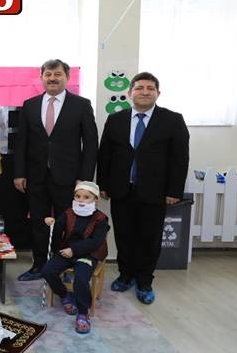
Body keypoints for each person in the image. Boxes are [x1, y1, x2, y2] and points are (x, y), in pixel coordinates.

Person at [97, 71, 189, 304]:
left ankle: (145, 281)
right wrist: (104, 185)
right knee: (124, 235)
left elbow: (180, 159)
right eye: (139, 88)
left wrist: (174, 191)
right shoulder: (115, 119)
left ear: (158, 93)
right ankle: (125, 276)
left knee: (149, 238)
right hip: (122, 190)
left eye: (150, 88)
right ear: (130, 93)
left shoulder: (173, 120)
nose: (145, 92)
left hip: (155, 192)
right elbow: (105, 154)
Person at [14, 59, 98, 281]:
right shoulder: (30, 105)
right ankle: (39, 265)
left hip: (70, 179)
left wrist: (85, 180)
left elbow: (91, 144)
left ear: (67, 77)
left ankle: (64, 267)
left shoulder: (81, 105)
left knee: (68, 224)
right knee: (38, 223)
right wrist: (19, 173)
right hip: (36, 177)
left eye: (58, 74)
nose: (53, 78)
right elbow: (21, 142)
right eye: (48, 74)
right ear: (42, 78)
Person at [41, 181, 109, 334]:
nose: (81, 200)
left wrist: (74, 250)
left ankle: (83, 313)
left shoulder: (101, 219)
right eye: (78, 196)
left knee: (81, 279)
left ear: (95, 200)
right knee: (47, 271)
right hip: (67, 251)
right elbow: (57, 232)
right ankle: (65, 295)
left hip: (88, 254)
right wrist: (52, 224)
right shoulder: (68, 213)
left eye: (86, 197)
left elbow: (95, 242)